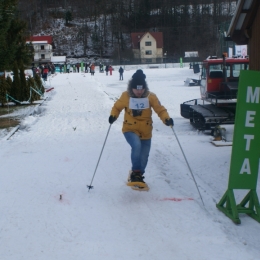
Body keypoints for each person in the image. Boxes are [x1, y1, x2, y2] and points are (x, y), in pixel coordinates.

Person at [108, 69, 174, 187]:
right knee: (136, 145)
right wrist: (113, 116)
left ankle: (138, 175)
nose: (139, 91)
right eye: (136, 88)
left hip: (146, 132)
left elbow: (160, 110)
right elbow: (116, 108)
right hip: (130, 129)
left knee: (144, 157)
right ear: (131, 88)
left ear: (145, 88)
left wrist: (166, 119)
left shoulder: (151, 97)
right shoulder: (125, 96)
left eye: (141, 88)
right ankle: (135, 173)